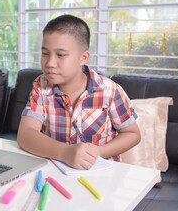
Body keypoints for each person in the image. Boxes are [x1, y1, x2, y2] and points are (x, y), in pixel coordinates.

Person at [17, 14, 141, 170]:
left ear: (83, 58)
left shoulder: (110, 91)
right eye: (45, 53)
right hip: (58, 171)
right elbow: (25, 135)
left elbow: (132, 134)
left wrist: (98, 152)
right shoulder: (41, 87)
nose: (50, 63)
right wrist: (66, 153)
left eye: (61, 55)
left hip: (103, 174)